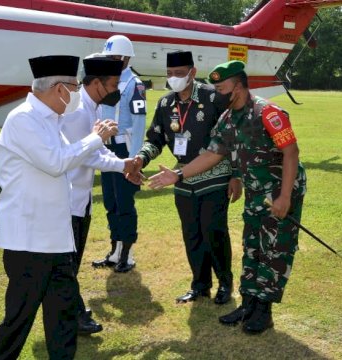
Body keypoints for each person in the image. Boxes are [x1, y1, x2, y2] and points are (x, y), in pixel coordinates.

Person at [148, 60, 307, 334]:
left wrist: (284, 197)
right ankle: (249, 304)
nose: (217, 92)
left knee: (274, 250)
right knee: (252, 248)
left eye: (221, 87)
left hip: (280, 191)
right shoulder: (227, 118)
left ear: (238, 86)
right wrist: (179, 175)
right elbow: (212, 154)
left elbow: (291, 153)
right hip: (256, 193)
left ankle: (264, 311)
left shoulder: (269, 112)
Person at [0, 55, 124, 359]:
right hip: (29, 241)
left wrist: (103, 151)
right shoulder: (23, 119)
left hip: (56, 239)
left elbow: (70, 156)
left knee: (62, 316)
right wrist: (95, 137)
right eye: (75, 87)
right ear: (59, 89)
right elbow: (56, 162)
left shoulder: (53, 120)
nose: (77, 94)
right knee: (18, 320)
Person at [131, 51, 241, 305]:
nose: (174, 78)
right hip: (181, 179)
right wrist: (141, 159)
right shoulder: (165, 104)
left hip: (215, 176)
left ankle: (225, 283)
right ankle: (200, 285)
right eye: (170, 74)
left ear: (192, 72)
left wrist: (236, 174)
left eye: (179, 74)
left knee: (214, 232)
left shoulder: (212, 97)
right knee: (192, 234)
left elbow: (232, 137)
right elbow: (155, 139)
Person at [61, 55, 135, 334]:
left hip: (80, 200)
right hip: (68, 201)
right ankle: (74, 314)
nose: (117, 90)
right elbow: (88, 156)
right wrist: (122, 165)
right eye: (114, 84)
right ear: (96, 84)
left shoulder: (91, 107)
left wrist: (125, 164)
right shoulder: (79, 111)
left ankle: (70, 311)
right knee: (66, 266)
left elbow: (98, 150)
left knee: (71, 264)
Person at [91, 35, 146, 273]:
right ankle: (114, 251)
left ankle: (128, 254)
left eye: (114, 58)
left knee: (124, 203)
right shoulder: (104, 81)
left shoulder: (135, 84)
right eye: (108, 57)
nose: (111, 62)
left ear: (125, 58)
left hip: (124, 147)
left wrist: (135, 159)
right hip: (106, 146)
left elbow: (139, 122)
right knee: (111, 202)